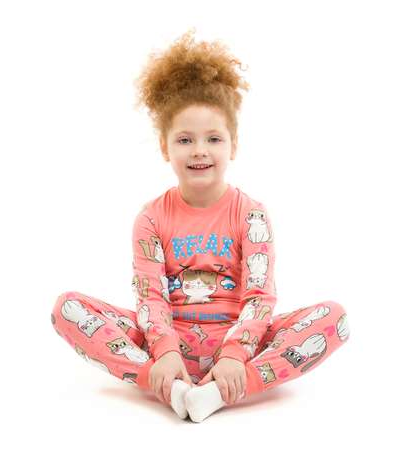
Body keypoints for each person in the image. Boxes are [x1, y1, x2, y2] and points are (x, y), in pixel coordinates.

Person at [51, 27, 350, 423]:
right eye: (185, 140)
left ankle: (222, 390)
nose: (199, 151)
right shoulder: (151, 218)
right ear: (165, 147)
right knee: (67, 308)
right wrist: (164, 352)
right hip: (167, 343)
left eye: (213, 139)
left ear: (233, 145)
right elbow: (151, 297)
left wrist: (235, 355)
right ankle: (167, 385)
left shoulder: (251, 214)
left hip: (239, 344)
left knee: (334, 318)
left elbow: (259, 297)